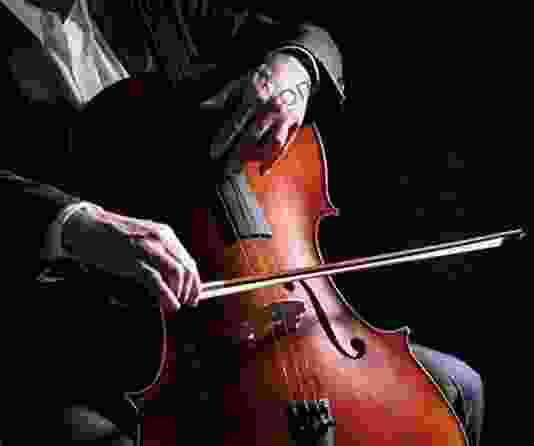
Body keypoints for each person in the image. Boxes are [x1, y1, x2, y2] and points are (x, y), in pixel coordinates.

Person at [0, 2, 483, 445]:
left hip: (249, 308)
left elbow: (311, 38)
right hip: (76, 332)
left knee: (459, 387)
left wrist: (294, 69)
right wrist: (76, 223)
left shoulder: (152, 7)